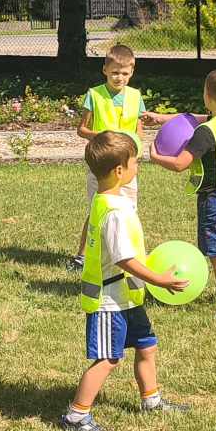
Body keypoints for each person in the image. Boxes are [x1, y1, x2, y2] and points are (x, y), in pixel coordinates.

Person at [62, 132, 188, 431]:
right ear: (119, 170)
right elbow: (123, 259)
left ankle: (151, 400)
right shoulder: (115, 212)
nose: (137, 167)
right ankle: (76, 415)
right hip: (110, 300)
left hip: (127, 296)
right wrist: (159, 280)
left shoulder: (107, 200)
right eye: (134, 162)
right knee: (108, 359)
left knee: (147, 346)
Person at [150, 68, 216, 316]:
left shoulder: (205, 133)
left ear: (208, 95)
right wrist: (162, 118)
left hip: (214, 199)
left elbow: (179, 164)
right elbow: (197, 117)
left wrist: (155, 157)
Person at [69, 44, 144, 267]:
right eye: (114, 73)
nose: (119, 78)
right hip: (101, 165)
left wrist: (135, 156)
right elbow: (82, 129)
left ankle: (131, 256)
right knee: (98, 209)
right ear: (105, 70)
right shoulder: (94, 95)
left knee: (129, 209)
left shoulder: (135, 96)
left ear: (132, 72)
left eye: (124, 73)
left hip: (127, 166)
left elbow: (139, 131)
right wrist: (102, 136)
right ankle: (82, 256)